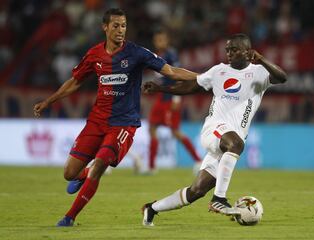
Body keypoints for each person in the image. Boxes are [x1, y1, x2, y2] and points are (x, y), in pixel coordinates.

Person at [33, 8, 198, 227]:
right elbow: (75, 81)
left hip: (123, 124)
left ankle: (69, 217)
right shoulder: (94, 54)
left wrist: (206, 76)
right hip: (96, 121)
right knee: (69, 173)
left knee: (101, 163)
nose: (121, 30)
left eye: (124, 26)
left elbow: (172, 71)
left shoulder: (137, 53)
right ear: (105, 27)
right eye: (116, 26)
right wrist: (49, 101)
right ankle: (84, 174)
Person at [142, 33, 287, 226]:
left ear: (247, 51)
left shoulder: (260, 72)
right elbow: (192, 86)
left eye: (233, 49)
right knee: (236, 144)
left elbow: (282, 77)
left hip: (227, 143)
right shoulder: (219, 71)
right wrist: (161, 89)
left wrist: (262, 60)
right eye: (227, 49)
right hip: (215, 130)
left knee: (197, 190)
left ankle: (152, 209)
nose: (229, 53)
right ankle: (219, 199)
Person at [147, 29, 202, 174]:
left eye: (162, 40)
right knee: (152, 128)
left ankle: (198, 161)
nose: (160, 42)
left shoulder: (171, 54)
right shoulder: (156, 55)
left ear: (167, 41)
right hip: (160, 97)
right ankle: (152, 167)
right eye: (158, 40)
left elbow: (178, 76)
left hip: (170, 97)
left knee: (175, 132)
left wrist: (177, 97)